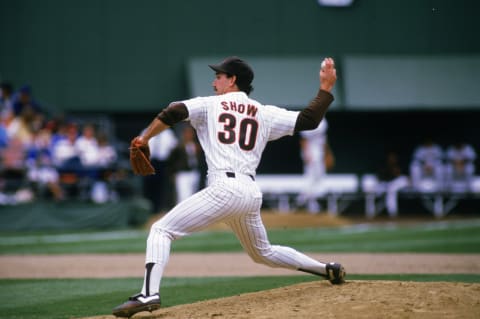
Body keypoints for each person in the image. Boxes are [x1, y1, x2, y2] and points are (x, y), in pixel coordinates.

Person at [112, 56, 345, 317]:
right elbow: (309, 120)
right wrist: (325, 89)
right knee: (263, 253)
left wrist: (145, 137)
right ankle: (327, 269)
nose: (214, 82)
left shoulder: (210, 105)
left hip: (224, 188)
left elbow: (174, 110)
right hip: (249, 192)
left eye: (219, 76)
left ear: (232, 80)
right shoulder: (264, 112)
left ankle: (149, 294)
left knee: (161, 230)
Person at [297, 119, 333, 213]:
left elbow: (324, 139)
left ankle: (308, 200)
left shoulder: (324, 122)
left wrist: (328, 153)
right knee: (310, 177)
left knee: (319, 177)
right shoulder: (309, 119)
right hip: (311, 152)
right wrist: (306, 154)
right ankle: (303, 199)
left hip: (320, 152)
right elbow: (303, 140)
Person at [168, 124, 202, 204]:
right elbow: (171, 161)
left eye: (190, 133)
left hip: (194, 172)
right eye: (187, 133)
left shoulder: (196, 146)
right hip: (182, 173)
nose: (189, 135)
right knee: (183, 196)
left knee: (193, 196)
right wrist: (173, 173)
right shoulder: (178, 146)